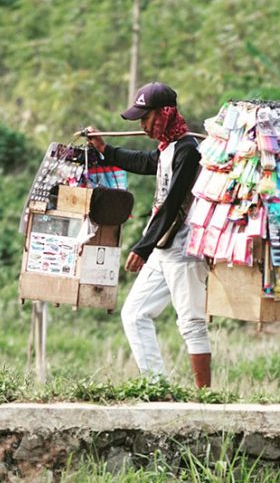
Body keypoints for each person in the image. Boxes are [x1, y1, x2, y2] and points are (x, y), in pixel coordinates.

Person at [86, 82, 211, 388]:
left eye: (146, 118)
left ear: (165, 114)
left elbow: (171, 206)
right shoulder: (167, 149)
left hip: (184, 248)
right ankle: (157, 386)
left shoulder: (188, 151)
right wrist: (105, 150)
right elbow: (145, 162)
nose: (142, 125)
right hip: (163, 247)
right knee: (134, 314)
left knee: (191, 322)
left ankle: (205, 398)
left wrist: (143, 247)